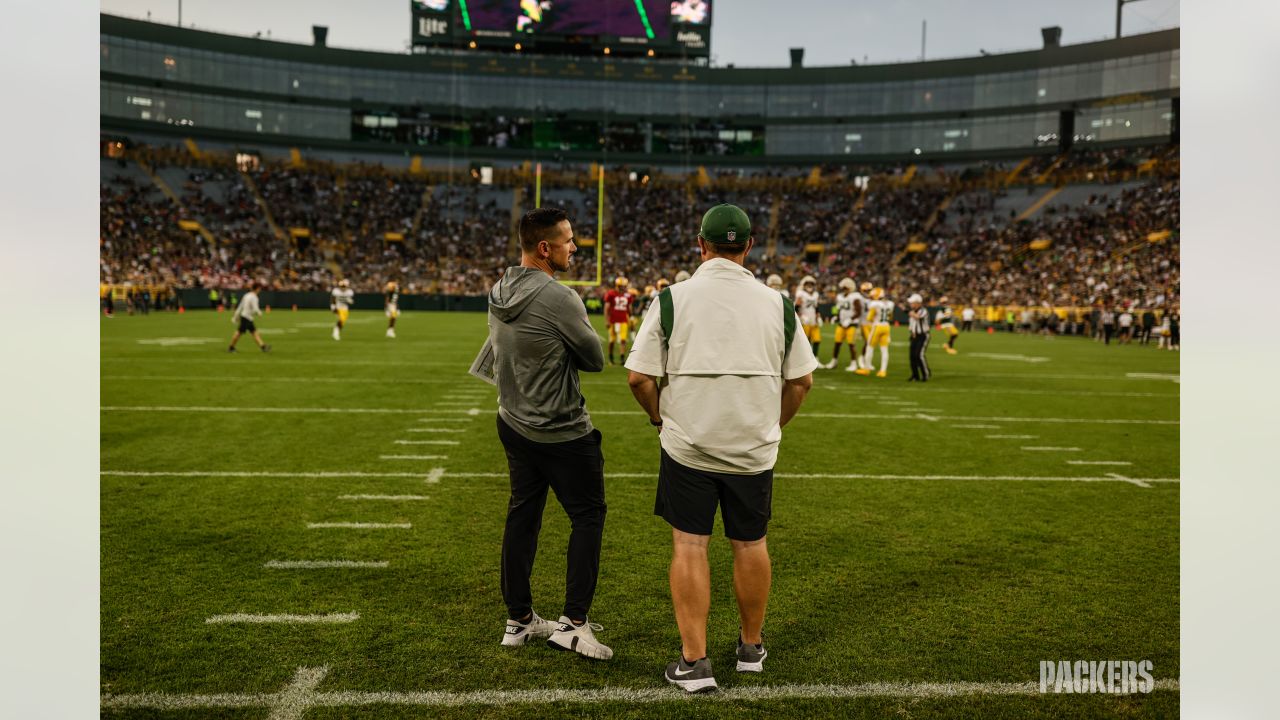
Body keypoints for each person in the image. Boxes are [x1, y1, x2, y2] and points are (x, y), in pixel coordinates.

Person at [625, 203, 817, 694]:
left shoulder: (672, 298)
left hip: (689, 442)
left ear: (700, 244)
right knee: (751, 543)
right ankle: (751, 648)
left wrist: (657, 416)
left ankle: (695, 662)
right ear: (749, 246)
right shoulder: (779, 303)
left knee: (690, 543)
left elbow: (639, 377)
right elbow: (801, 382)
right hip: (753, 447)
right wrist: (773, 424)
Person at [470, 207, 612, 660]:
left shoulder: (499, 288)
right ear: (545, 248)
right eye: (569, 240)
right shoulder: (560, 298)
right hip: (561, 429)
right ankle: (573, 622)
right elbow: (595, 359)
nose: (576, 247)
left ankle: (519, 619)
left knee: (523, 515)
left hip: (512, 421)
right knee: (587, 516)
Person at [829, 278, 864, 371]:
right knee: (837, 343)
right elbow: (838, 308)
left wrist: (850, 320)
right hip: (841, 324)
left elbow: (859, 311)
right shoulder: (840, 297)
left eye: (846, 288)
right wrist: (836, 316)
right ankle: (834, 361)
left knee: (851, 344)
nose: (844, 289)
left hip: (851, 324)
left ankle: (854, 363)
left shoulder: (855, 297)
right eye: (843, 288)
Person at [859, 287, 894, 378]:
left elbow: (869, 318)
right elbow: (890, 317)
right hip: (886, 327)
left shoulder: (875, 304)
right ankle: (883, 371)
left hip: (877, 327)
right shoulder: (889, 304)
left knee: (869, 347)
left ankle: (866, 369)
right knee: (884, 350)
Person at [227, 282, 271, 353]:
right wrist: (259, 313)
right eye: (259, 288)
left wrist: (236, 316)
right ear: (257, 289)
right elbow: (255, 308)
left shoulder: (246, 295)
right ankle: (231, 347)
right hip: (247, 317)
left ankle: (263, 346)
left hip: (245, 316)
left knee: (254, 332)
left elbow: (240, 306)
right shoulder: (254, 297)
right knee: (239, 333)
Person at [603, 276, 634, 365]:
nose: (623, 287)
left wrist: (631, 318)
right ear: (617, 285)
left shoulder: (628, 295)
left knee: (623, 340)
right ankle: (611, 357)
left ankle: (622, 358)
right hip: (613, 320)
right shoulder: (611, 293)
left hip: (623, 320)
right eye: (622, 286)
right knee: (612, 341)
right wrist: (607, 320)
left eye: (624, 286)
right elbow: (606, 308)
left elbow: (629, 308)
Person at [794, 276, 822, 360]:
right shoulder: (801, 294)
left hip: (813, 321)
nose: (809, 286)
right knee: (806, 342)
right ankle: (806, 359)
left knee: (817, 340)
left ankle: (815, 358)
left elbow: (816, 307)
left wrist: (818, 317)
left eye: (811, 284)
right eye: (807, 284)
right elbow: (796, 307)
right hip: (805, 321)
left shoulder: (816, 294)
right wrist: (801, 316)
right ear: (804, 285)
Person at [907, 293, 931, 382]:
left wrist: (910, 313)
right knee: (912, 356)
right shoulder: (912, 311)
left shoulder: (923, 311)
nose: (911, 305)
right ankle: (915, 375)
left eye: (912, 303)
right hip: (914, 336)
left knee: (919, 355)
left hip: (923, 335)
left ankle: (926, 374)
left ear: (918, 303)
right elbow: (912, 324)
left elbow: (918, 317)